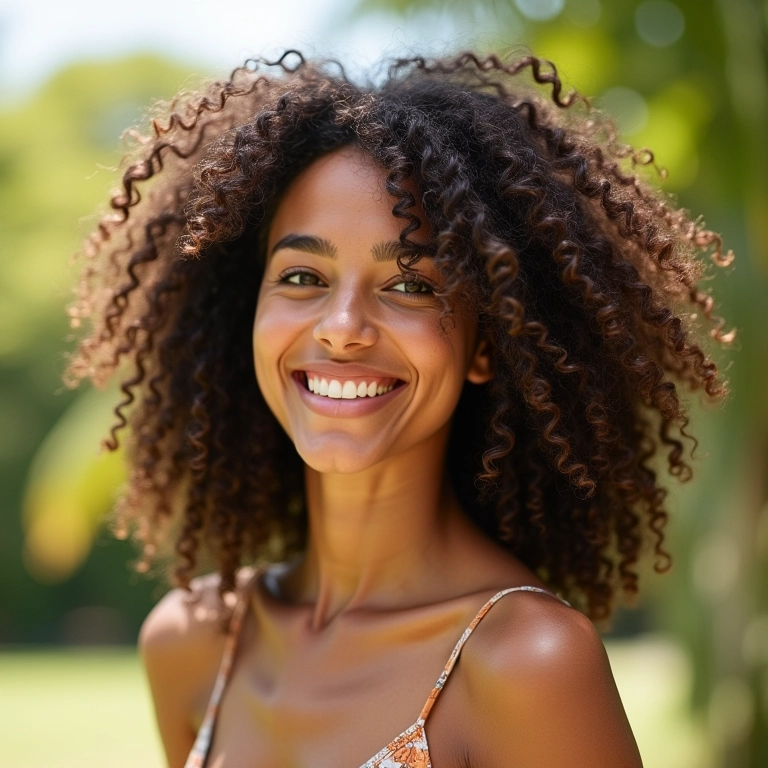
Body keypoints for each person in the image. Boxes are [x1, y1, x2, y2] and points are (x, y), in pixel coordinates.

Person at [67, 50, 732, 767]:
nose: (343, 325)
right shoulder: (191, 645)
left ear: (487, 344)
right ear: (248, 311)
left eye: (412, 286)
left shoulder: (527, 662)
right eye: (301, 276)